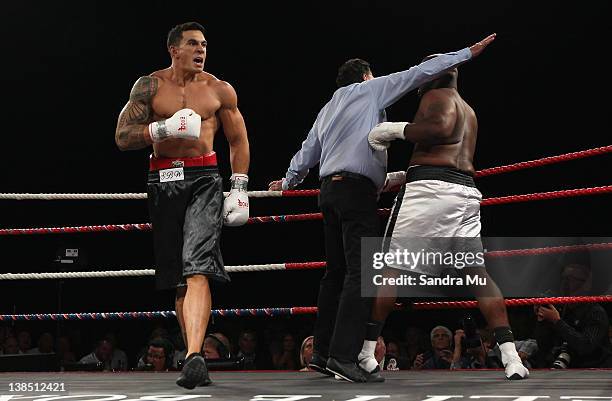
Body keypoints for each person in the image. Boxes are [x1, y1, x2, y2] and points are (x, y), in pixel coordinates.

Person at [268, 34, 496, 382]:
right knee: (362, 273)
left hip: (329, 193)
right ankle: (343, 359)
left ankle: (324, 353)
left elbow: (307, 153)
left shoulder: (328, 108)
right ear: (366, 76)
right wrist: (466, 53)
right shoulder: (369, 91)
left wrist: (286, 183)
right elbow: (419, 72)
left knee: (335, 275)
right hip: (355, 195)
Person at [357, 53, 529, 380]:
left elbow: (439, 129)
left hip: (428, 194)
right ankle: (511, 356)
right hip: (463, 194)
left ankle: (366, 353)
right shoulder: (470, 111)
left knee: (390, 269)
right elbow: (447, 155)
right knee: (479, 275)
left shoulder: (437, 97)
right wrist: (404, 174)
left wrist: (393, 130)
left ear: (434, 75)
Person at [114, 22, 250, 389]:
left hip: (205, 179)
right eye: (192, 43)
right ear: (174, 49)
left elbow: (238, 140)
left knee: (199, 265)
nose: (201, 49)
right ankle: (193, 352)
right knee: (178, 276)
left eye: (204, 44)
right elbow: (122, 137)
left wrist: (239, 186)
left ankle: (193, 356)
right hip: (163, 180)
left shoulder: (219, 89)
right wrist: (162, 130)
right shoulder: (150, 86)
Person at [532, 263, 612, 368]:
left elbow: (586, 346)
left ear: (585, 284)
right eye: (564, 278)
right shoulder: (561, 309)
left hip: (596, 371)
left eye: (571, 278)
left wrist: (557, 322)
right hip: (566, 369)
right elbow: (544, 346)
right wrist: (542, 319)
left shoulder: (596, 312)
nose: (565, 282)